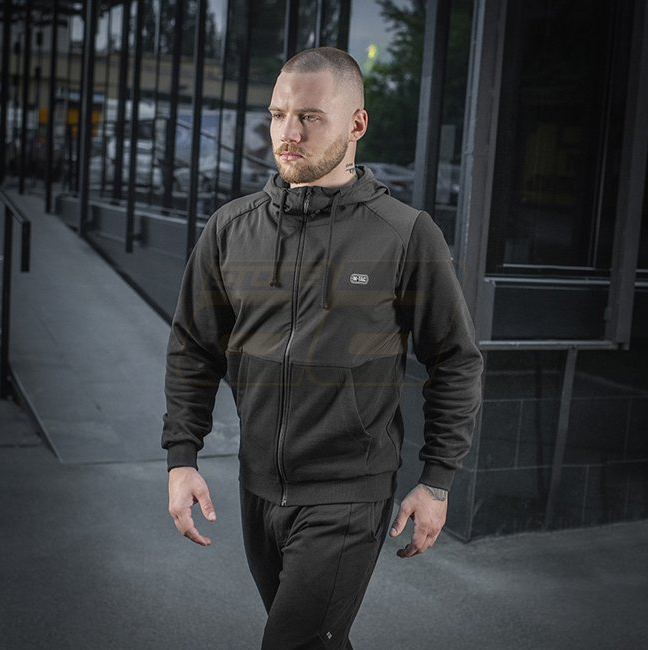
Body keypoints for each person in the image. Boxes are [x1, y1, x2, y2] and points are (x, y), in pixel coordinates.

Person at [162, 46, 483, 649]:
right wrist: (182, 457)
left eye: (309, 117)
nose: (288, 133)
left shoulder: (404, 234)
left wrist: (437, 479)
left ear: (357, 124)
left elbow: (455, 359)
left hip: (348, 493)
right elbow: (193, 348)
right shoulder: (231, 228)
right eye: (278, 115)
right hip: (258, 486)